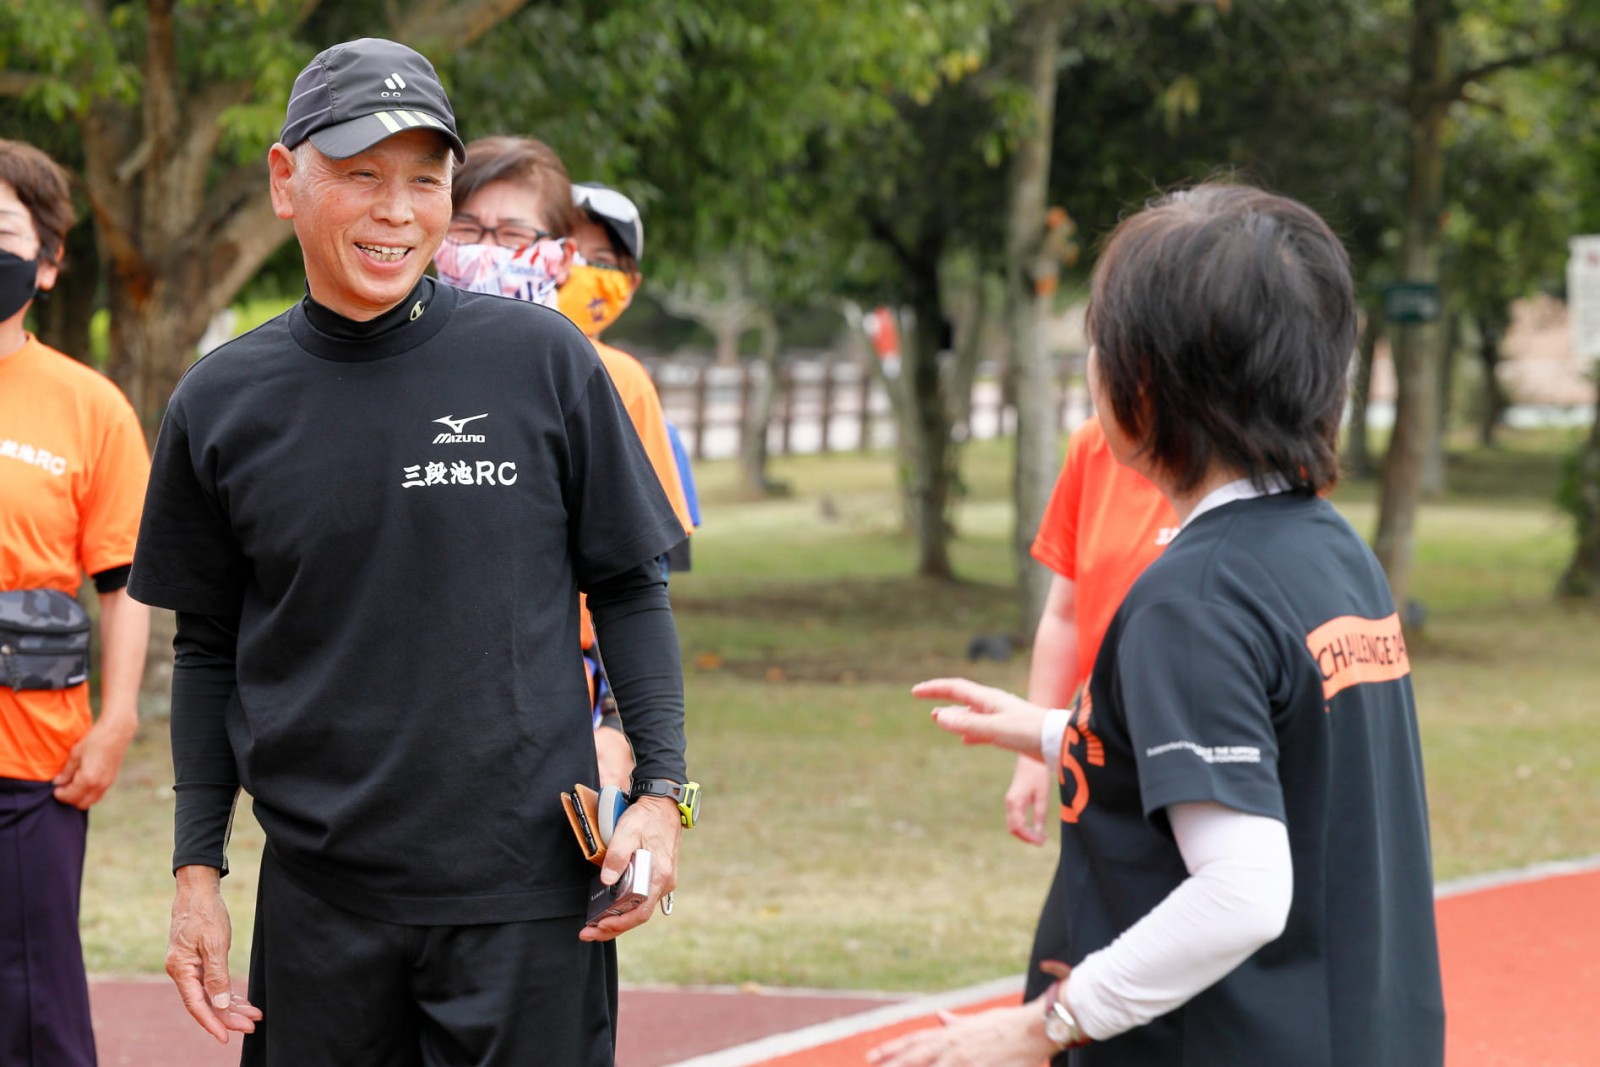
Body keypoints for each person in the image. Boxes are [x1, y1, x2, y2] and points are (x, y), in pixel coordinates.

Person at [128, 39, 691, 1065]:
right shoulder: (219, 402)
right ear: (283, 180)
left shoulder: (545, 362)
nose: (397, 212)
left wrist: (662, 793)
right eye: (361, 176)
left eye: (425, 181)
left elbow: (629, 585)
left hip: (528, 898)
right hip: (321, 900)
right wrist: (196, 872)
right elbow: (207, 645)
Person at [871, 183, 1444, 1066]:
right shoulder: (1331, 550)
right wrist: (1060, 729)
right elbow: (1275, 761)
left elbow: (1243, 890)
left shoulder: (1194, 597)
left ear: (1140, 388)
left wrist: (1041, 1024)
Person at [437, 143, 694, 793]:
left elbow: (640, 578)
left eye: (515, 233)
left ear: (557, 252)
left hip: (557, 711)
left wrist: (616, 724)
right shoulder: (395, 369)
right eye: (467, 228)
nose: (488, 250)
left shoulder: (612, 379)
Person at [0, 138, 151, 1066]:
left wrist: (120, 714)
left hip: (33, 760)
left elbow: (126, 577)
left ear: (49, 262)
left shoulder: (91, 408)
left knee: (32, 1004)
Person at [1003, 416, 1177, 1004]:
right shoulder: (1093, 445)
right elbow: (1063, 615)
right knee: (1051, 992)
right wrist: (1033, 753)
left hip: (1194, 766)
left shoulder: (1240, 441)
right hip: (1104, 770)